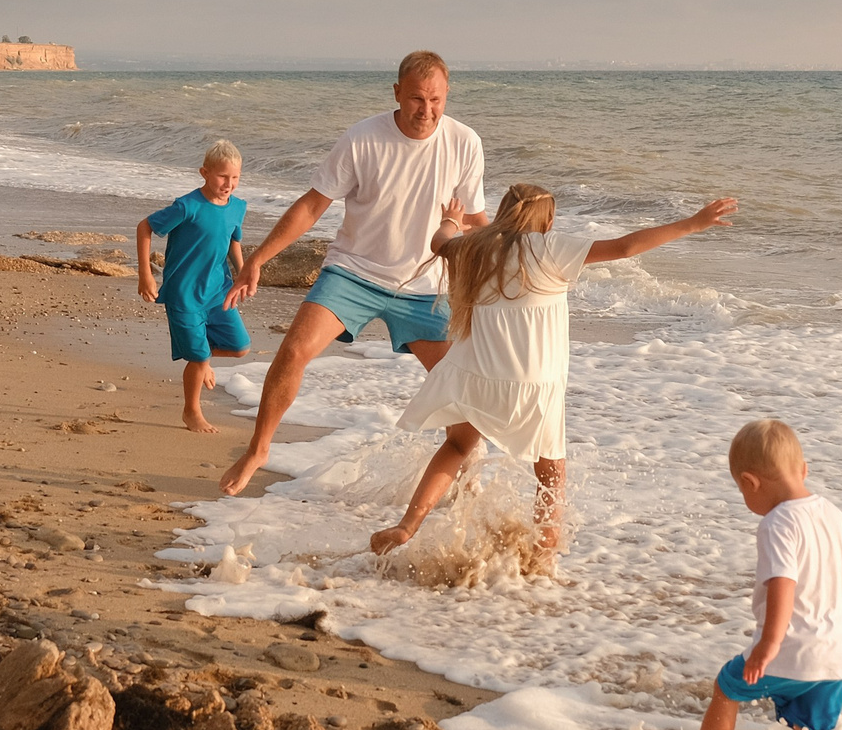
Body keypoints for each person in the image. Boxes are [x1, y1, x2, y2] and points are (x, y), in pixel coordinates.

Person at [369, 184, 739, 559]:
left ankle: (407, 525)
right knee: (550, 472)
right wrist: (692, 224)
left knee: (458, 446)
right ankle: (543, 552)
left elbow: (440, 241)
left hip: (474, 374)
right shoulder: (551, 249)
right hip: (534, 385)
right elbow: (625, 247)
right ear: (546, 220)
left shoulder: (476, 247)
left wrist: (451, 219)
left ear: (503, 213)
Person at [218, 51, 488, 494]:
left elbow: (475, 219)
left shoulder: (465, 143)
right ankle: (259, 449)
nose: (427, 110)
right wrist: (257, 259)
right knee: (294, 351)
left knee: (460, 386)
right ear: (397, 93)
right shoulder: (363, 138)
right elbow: (312, 205)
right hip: (354, 273)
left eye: (436, 99)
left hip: (424, 286)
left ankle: (464, 483)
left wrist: (529, 254)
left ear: (447, 94)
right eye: (417, 98)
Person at [658, 419, 842, 730]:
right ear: (803, 470)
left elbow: (783, 583)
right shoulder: (832, 513)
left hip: (793, 648)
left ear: (750, 483)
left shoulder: (778, 522)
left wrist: (769, 643)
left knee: (727, 688)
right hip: (834, 655)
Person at [136, 141, 250, 434]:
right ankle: (192, 411)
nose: (229, 184)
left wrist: (243, 273)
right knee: (198, 358)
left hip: (217, 291)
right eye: (222, 176)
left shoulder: (238, 207)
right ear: (205, 173)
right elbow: (145, 227)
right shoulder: (187, 206)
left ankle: (202, 356)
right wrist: (146, 275)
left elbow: (233, 241)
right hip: (184, 294)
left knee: (240, 347)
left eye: (235, 177)